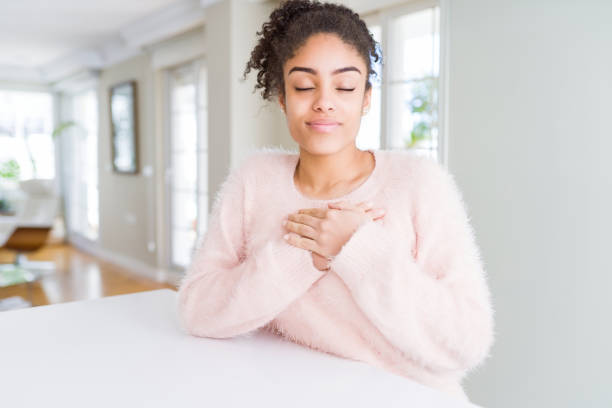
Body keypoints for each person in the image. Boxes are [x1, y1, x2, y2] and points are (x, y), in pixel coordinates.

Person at [177, 0, 494, 402]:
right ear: (281, 96)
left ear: (365, 98)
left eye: (344, 86)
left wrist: (358, 249)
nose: (324, 101)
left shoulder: (420, 184)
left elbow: (465, 341)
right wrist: (306, 255)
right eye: (304, 86)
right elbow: (198, 310)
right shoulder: (253, 180)